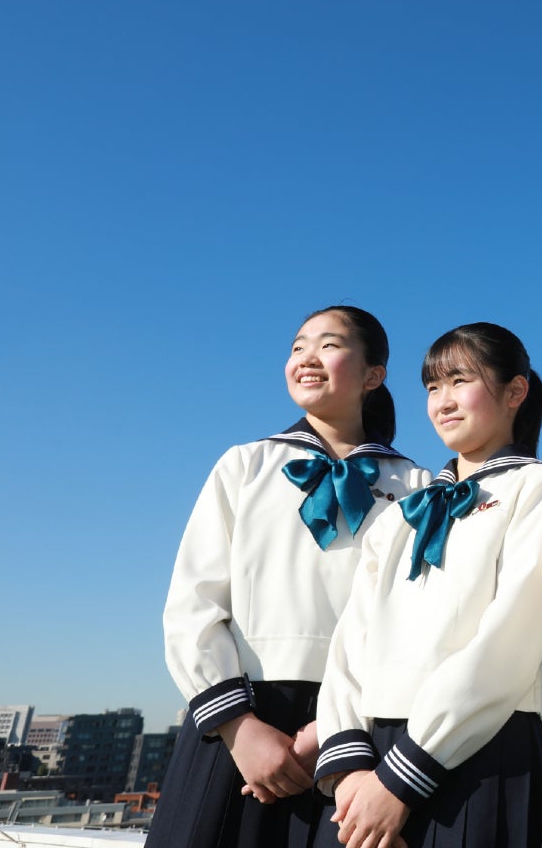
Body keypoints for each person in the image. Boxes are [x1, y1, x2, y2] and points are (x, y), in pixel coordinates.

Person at [152, 306, 431, 848]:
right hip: (239, 721)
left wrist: (334, 728)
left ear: (374, 375)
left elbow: (417, 619)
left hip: (359, 735)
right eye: (298, 345)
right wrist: (239, 728)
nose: (306, 357)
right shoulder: (244, 465)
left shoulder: (418, 485)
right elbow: (192, 605)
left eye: (329, 345)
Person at [313, 322, 542, 848]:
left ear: (516, 391)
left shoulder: (540, 488)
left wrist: (400, 781)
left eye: (460, 380)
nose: (443, 401)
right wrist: (353, 774)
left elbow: (509, 642)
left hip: (486, 751)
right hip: (373, 764)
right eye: (431, 387)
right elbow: (348, 645)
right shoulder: (401, 512)